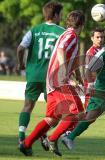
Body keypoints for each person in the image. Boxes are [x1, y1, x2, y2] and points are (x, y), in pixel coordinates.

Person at [18, 10, 86, 156]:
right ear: (82, 24)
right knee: (78, 113)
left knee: (52, 119)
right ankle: (53, 139)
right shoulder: (71, 35)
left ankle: (26, 144)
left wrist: (78, 75)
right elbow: (61, 50)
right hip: (60, 80)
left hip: (51, 80)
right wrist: (64, 72)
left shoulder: (66, 34)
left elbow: (70, 58)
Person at [16, 1, 64, 146]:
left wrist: (21, 64)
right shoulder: (61, 32)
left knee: (27, 106)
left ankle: (21, 136)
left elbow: (20, 48)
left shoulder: (34, 30)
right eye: (60, 14)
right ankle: (42, 134)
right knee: (54, 113)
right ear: (55, 15)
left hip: (33, 75)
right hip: (51, 78)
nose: (61, 16)